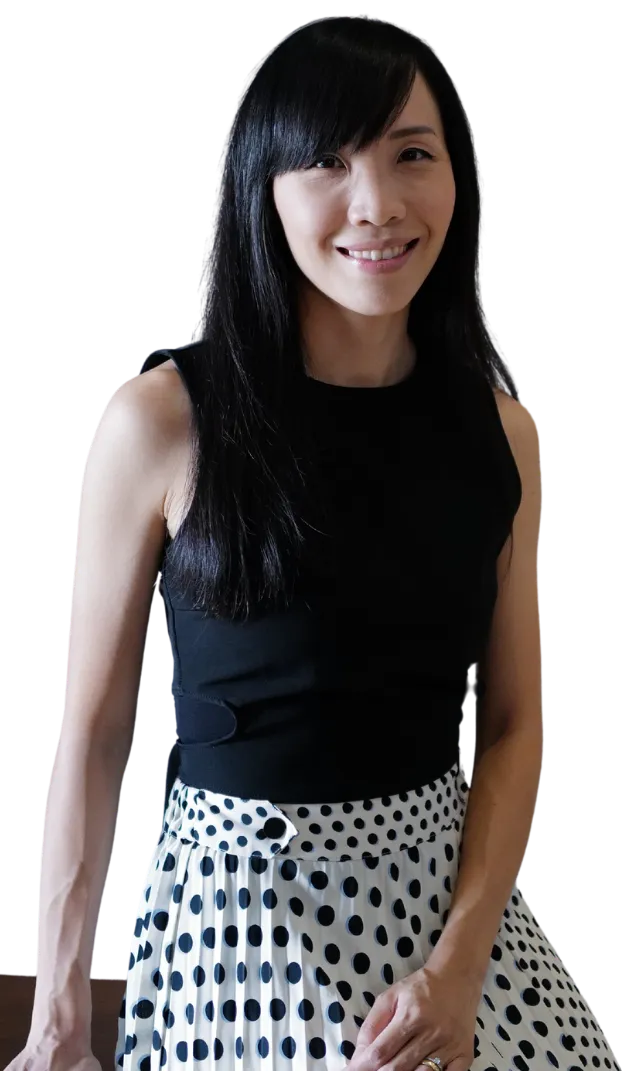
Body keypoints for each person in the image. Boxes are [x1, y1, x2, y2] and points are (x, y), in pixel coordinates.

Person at [12, 15, 620, 1071]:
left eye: (410, 155)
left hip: (451, 923)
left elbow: (513, 722)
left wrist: (457, 969)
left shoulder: (506, 432)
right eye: (327, 162)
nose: (375, 203)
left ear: (456, 178)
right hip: (237, 924)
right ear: (265, 189)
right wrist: (59, 1015)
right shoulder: (161, 419)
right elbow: (96, 728)